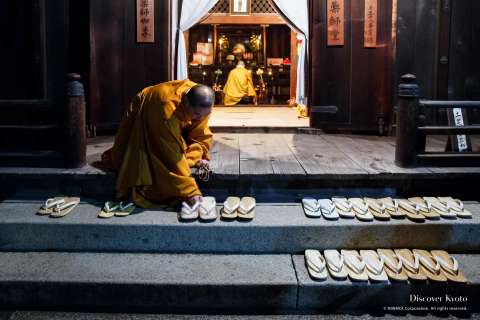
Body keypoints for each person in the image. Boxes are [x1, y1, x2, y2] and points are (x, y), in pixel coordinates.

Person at [101, 80, 214, 208]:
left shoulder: (200, 102)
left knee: (184, 141)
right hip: (149, 107)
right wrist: (191, 191)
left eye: (206, 114)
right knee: (136, 154)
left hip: (171, 120)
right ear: (186, 101)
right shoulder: (167, 110)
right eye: (196, 114)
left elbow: (200, 133)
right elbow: (170, 156)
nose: (200, 118)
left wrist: (198, 155)